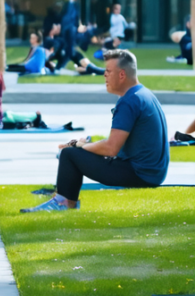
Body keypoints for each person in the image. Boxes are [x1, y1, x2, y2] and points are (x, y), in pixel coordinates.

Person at [23, 50, 168, 213]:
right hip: (151, 172)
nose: (104, 75)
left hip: (141, 174)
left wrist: (79, 146)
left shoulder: (129, 101)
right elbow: (116, 144)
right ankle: (64, 201)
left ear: (121, 75)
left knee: (69, 154)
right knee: (76, 150)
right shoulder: (142, 94)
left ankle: (62, 204)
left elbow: (111, 149)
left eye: (108, 71)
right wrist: (87, 145)